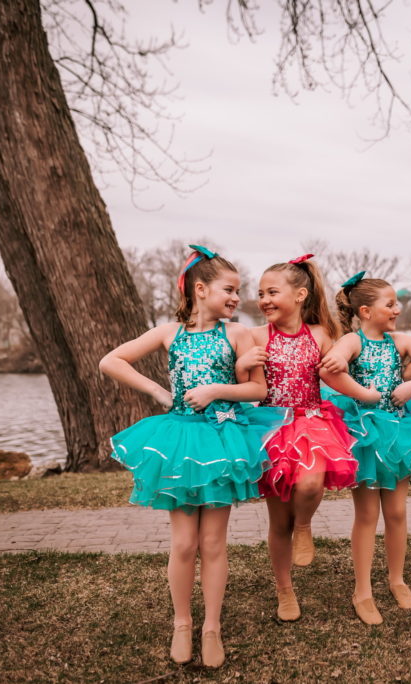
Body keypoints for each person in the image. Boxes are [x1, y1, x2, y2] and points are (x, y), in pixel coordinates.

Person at [100, 245, 284, 668]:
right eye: (229, 289)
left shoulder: (238, 334)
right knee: (184, 543)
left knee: (213, 542)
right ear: (200, 290)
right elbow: (111, 361)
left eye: (238, 290)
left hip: (222, 442)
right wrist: (158, 391)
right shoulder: (169, 333)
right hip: (181, 443)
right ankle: (182, 622)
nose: (237, 297)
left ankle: (211, 627)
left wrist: (216, 390)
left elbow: (258, 390)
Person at [319, 271, 411, 624]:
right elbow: (329, 372)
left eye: (397, 303)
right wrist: (361, 391)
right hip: (364, 435)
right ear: (365, 311)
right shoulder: (352, 341)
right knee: (367, 516)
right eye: (390, 304)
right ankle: (362, 591)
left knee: (396, 513)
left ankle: (397, 579)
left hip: (399, 435)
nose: (397, 309)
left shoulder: (402, 341)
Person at [249, 254, 358, 621]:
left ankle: (305, 525)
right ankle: (284, 589)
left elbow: (339, 367)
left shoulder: (320, 334)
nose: (264, 300)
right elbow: (244, 379)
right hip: (272, 427)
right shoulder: (256, 335)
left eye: (272, 292)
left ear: (299, 295)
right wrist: (243, 363)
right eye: (260, 293)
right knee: (277, 520)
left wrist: (344, 362)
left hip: (311, 423)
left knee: (311, 484)